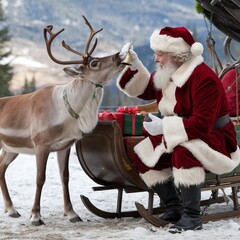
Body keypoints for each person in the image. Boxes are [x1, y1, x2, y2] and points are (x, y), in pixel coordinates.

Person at [117, 26, 240, 233]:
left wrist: (163, 126)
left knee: (184, 152)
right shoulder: (170, 72)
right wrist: (134, 65)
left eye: (160, 54)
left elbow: (201, 125)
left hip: (215, 138)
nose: (156, 59)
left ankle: (192, 216)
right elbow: (146, 88)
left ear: (177, 55)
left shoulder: (203, 78)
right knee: (144, 152)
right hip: (183, 132)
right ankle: (174, 206)